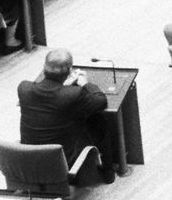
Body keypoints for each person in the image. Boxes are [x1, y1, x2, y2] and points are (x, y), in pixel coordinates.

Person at [16, 49, 113, 184]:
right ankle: (108, 171)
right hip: (61, 162)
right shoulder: (73, 94)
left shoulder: (24, 88)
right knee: (97, 119)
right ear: (69, 71)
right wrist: (84, 83)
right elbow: (101, 101)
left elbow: (48, 97)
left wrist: (63, 86)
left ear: (44, 68)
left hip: (28, 160)